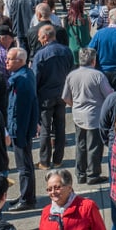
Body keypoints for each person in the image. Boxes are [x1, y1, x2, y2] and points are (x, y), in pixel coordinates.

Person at [62, 47, 113, 185]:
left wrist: (75, 105)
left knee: (81, 145)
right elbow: (109, 95)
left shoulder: (71, 75)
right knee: (94, 146)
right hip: (95, 116)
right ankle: (93, 174)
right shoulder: (98, 76)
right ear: (93, 60)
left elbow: (65, 97)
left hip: (78, 115)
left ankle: (80, 173)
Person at [33, 25, 74, 170]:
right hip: (62, 94)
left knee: (45, 128)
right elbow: (71, 71)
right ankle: (58, 159)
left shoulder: (40, 54)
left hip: (45, 96)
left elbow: (35, 77)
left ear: (45, 37)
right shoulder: (66, 51)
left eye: (39, 36)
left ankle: (44, 161)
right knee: (60, 127)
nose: (38, 38)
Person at [7, 47, 40, 212]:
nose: (6, 62)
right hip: (19, 128)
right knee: (24, 165)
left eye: (10, 59)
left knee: (24, 166)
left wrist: (19, 132)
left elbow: (22, 110)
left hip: (20, 130)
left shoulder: (23, 79)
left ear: (19, 61)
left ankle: (27, 199)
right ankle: (25, 195)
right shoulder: (21, 76)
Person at [39, 168, 107, 230]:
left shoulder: (87, 207)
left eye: (57, 188)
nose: (53, 192)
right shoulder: (46, 212)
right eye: (49, 189)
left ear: (69, 188)